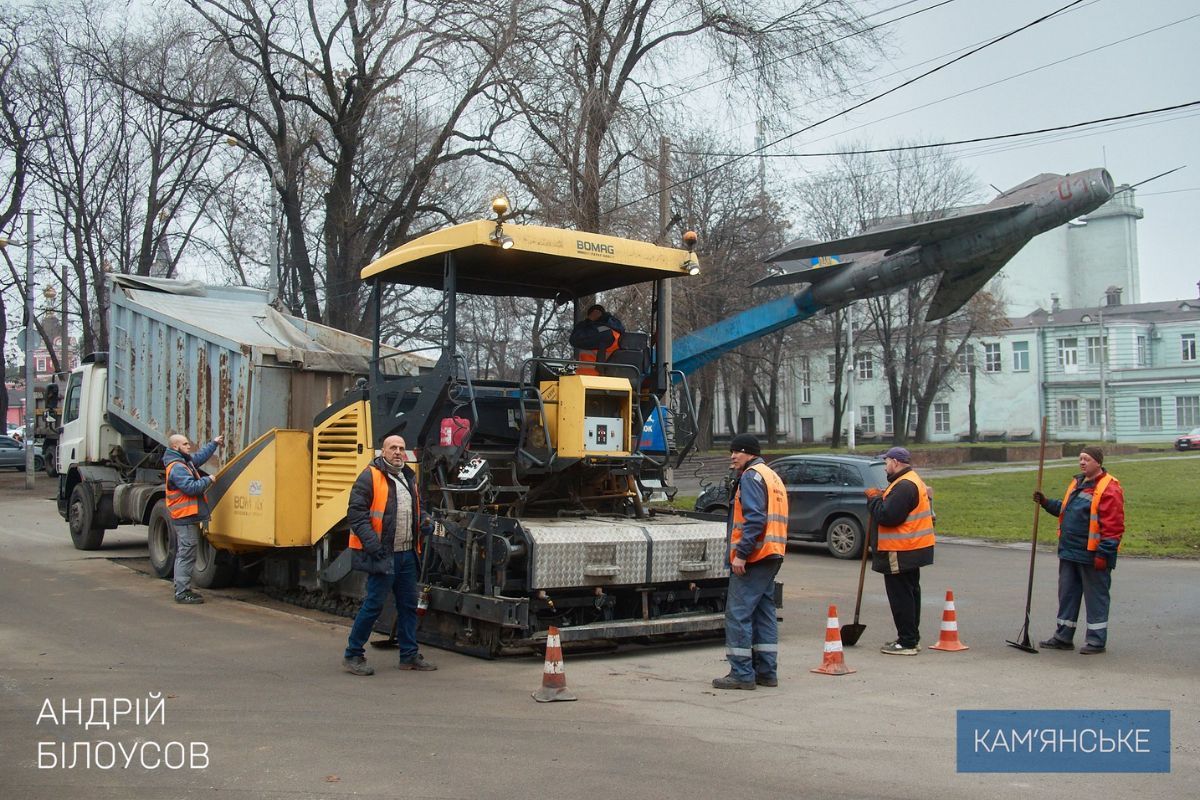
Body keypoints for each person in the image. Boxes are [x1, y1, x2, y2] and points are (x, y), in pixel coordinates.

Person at [342, 434, 436, 676]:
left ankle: (409, 655)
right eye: (392, 447)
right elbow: (356, 515)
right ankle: (353, 655)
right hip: (383, 554)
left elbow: (417, 508)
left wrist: (425, 521)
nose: (397, 452)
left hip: (406, 554)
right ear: (382, 452)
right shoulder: (370, 476)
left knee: (408, 606)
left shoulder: (408, 477)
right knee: (373, 606)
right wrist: (373, 546)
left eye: (401, 448)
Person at [712, 433, 788, 690]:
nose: (733, 456)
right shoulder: (771, 475)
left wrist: (741, 554)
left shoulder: (750, 477)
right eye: (732, 451)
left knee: (738, 614)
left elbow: (755, 519)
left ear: (751, 453)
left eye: (738, 451)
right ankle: (766, 672)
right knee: (764, 612)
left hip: (754, 556)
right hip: (772, 553)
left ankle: (742, 674)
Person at [1033, 445, 1124, 654]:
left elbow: (1113, 526)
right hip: (1069, 552)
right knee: (1067, 595)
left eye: (1087, 459)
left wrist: (1104, 554)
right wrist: (1046, 503)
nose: (1082, 462)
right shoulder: (1077, 483)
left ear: (1098, 462)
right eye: (1081, 458)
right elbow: (1066, 510)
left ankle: (1096, 641)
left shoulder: (1109, 488)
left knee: (1096, 599)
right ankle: (1063, 637)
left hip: (1093, 556)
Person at [866, 446, 935, 656]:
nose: (885, 466)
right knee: (910, 593)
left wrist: (873, 499)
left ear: (895, 462)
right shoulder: (911, 480)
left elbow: (888, 516)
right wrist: (882, 497)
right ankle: (911, 638)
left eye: (886, 462)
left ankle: (907, 642)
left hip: (899, 549)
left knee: (901, 596)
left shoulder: (904, 486)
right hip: (912, 547)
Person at [164, 433, 224, 605]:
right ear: (175, 447)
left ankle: (182, 589)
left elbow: (198, 458)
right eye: (185, 444)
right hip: (184, 517)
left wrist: (214, 444)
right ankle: (182, 592)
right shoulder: (178, 467)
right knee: (186, 554)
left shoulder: (183, 461)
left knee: (186, 553)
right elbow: (191, 488)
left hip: (186, 516)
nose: (188, 445)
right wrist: (208, 480)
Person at [569, 303, 625, 374]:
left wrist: (587, 322)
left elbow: (575, 339)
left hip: (592, 375)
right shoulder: (615, 329)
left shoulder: (601, 331)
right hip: (609, 375)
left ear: (596, 313)